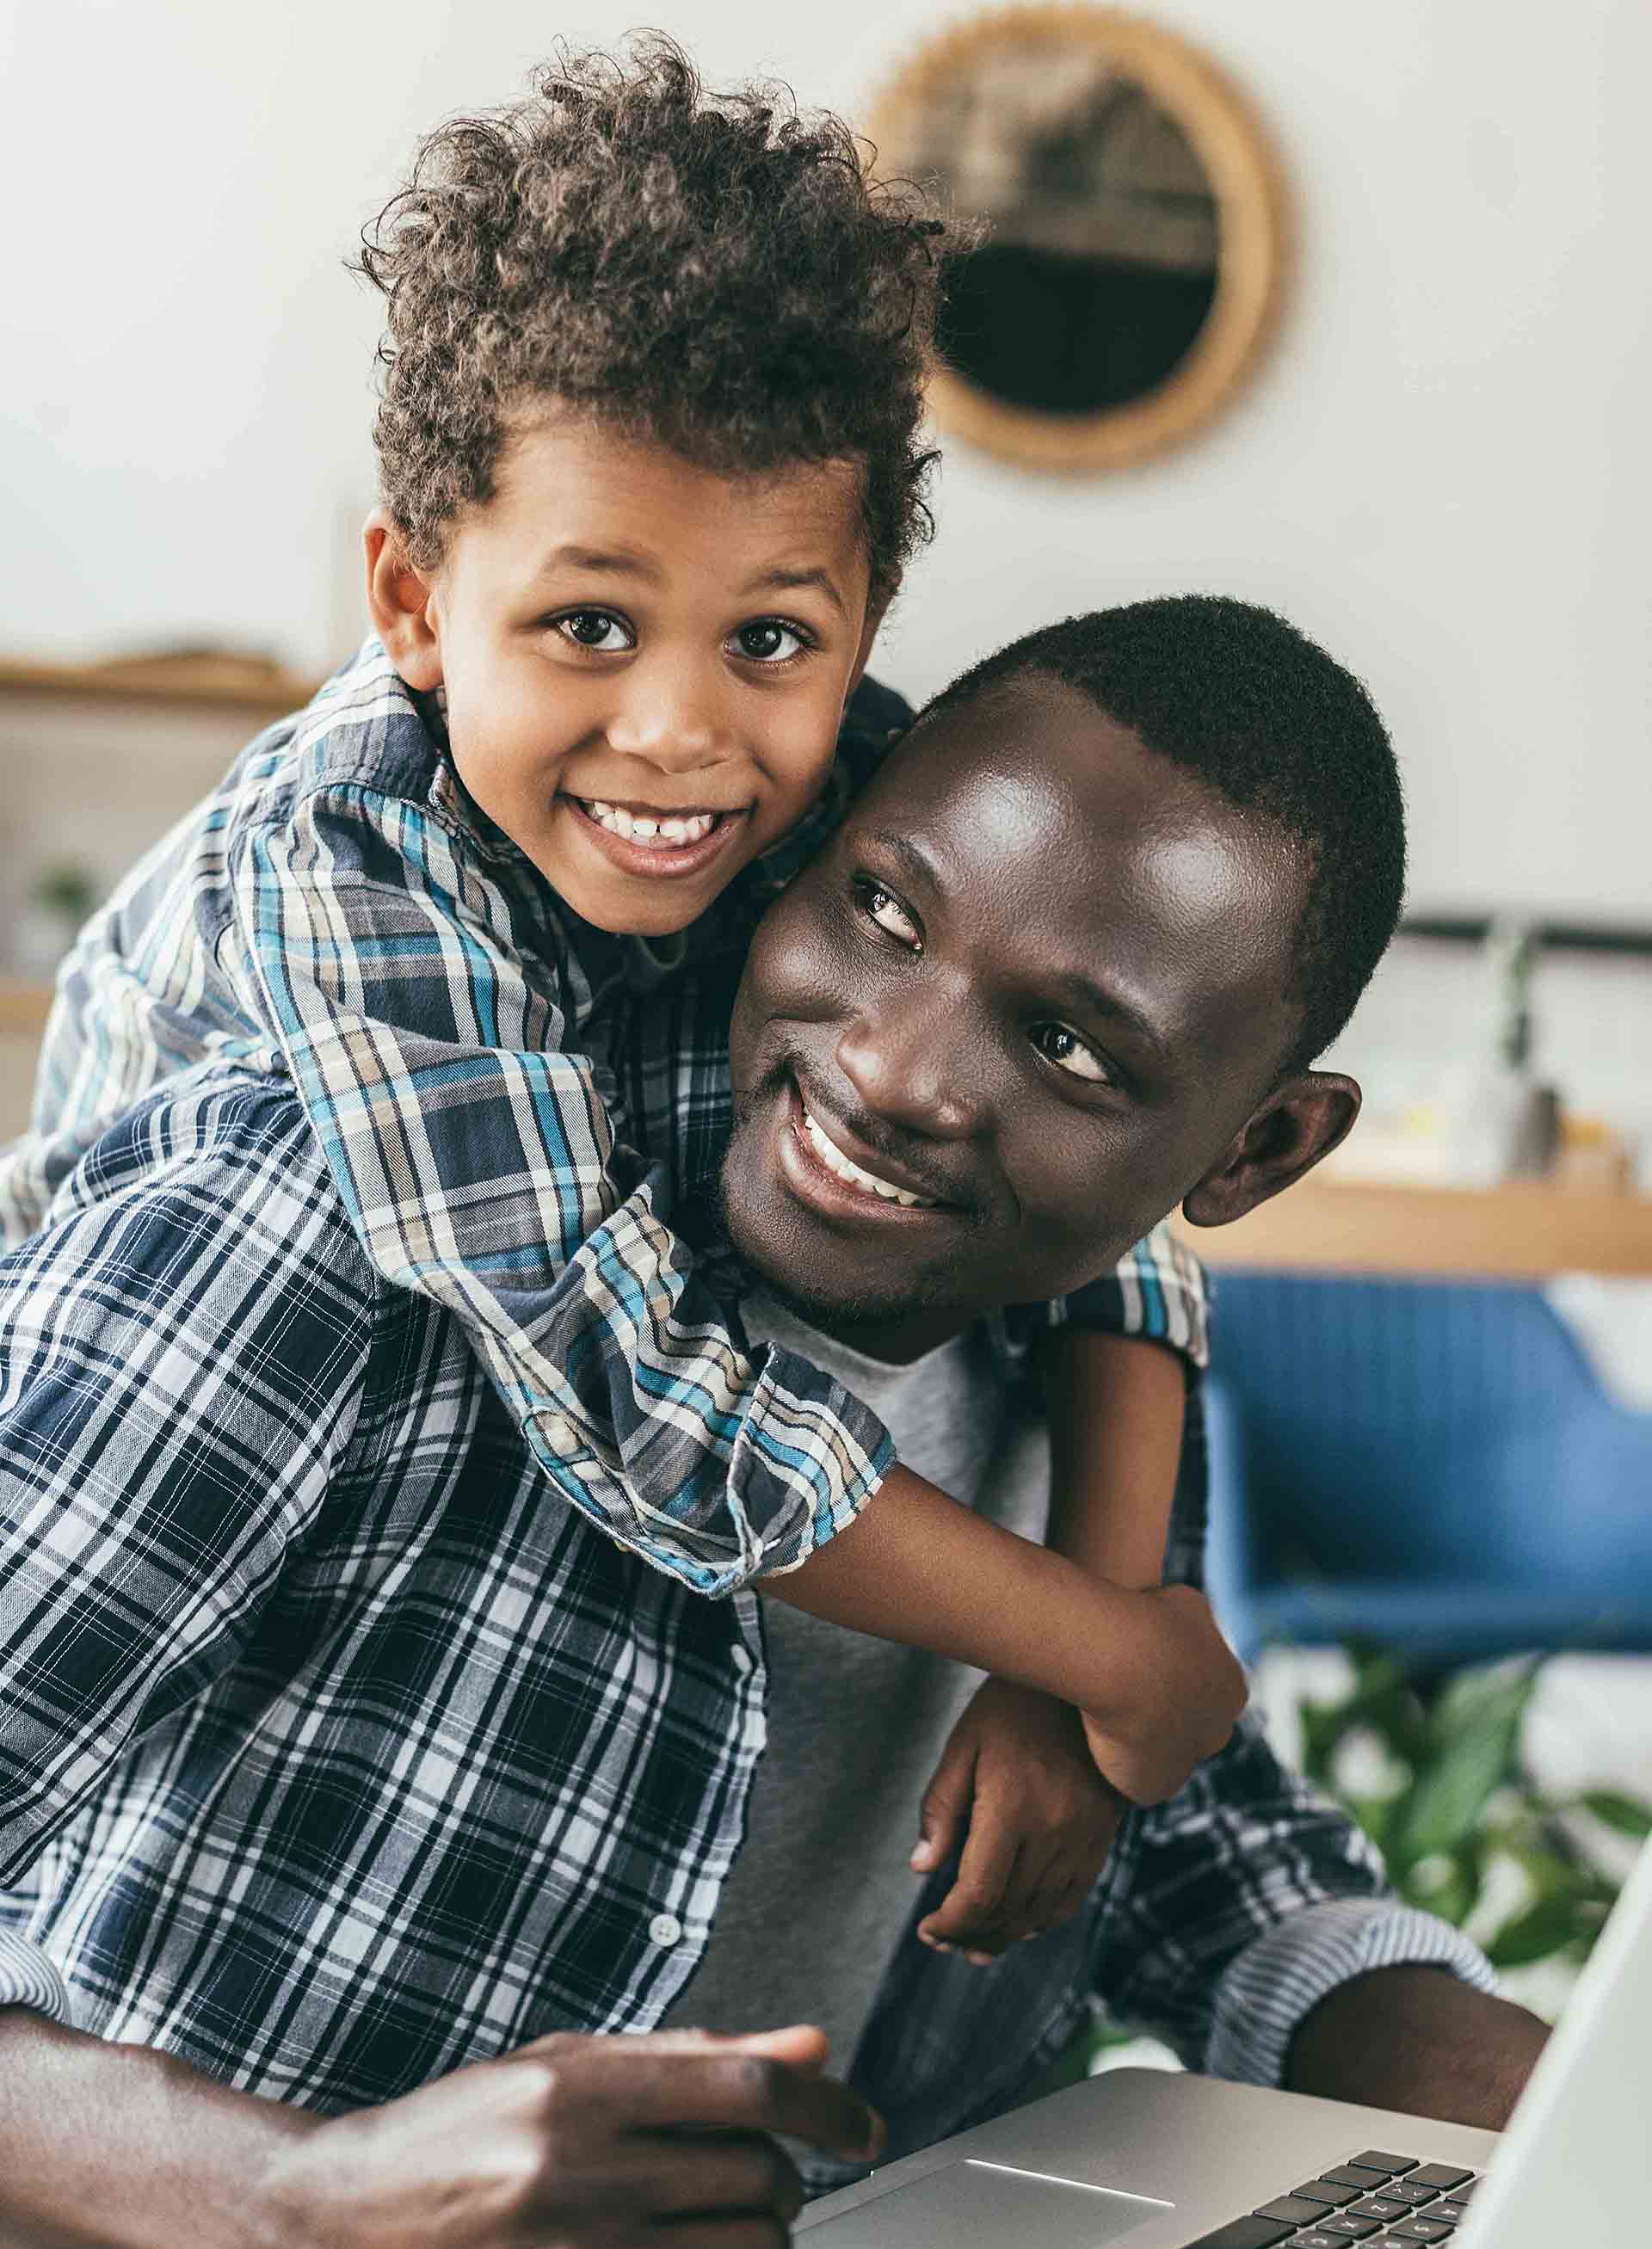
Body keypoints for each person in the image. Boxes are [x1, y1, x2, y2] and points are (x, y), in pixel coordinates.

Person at [2, 598, 1589, 2249]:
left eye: (1071, 1046)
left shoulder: (1076, 1370)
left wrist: (1539, 2127)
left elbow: (1181, 1838)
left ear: (1247, 1156)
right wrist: (286, 2203)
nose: (903, 1068)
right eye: (887, 911)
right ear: (797, 853)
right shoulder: (333, 1230)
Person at [0, 40, 1240, 1955]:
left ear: (861, 627)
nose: (679, 733)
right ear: (413, 605)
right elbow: (626, 1380)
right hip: (175, 1490)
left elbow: (1118, 1217)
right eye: (587, 622)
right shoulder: (348, 866)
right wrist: (1100, 1637)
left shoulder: (856, 794)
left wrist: (1091, 1653)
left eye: (769, 635)